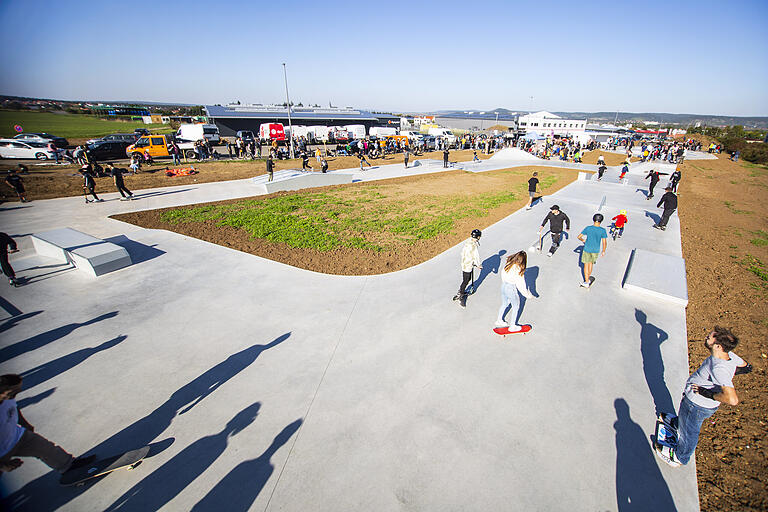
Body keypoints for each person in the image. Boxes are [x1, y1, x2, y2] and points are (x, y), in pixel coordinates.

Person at [656, 327, 751, 467]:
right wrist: (730, 373)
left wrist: (707, 393)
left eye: (709, 337)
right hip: (694, 403)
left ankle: (679, 457)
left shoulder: (719, 368)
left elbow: (732, 399)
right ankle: (677, 424)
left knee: (690, 432)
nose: (706, 338)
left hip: (697, 405)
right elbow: (747, 367)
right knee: (686, 420)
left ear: (718, 346)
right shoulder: (729, 356)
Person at [0, 374, 96, 474]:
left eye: (18, 390)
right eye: (13, 391)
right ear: (2, 389)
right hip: (2, 452)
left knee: (47, 449)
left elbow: (14, 407)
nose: (17, 393)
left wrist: (25, 423)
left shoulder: (8, 397)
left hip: (17, 435)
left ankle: (68, 466)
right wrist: (2, 466)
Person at [495, 251, 535, 328]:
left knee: (504, 304)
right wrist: (528, 295)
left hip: (503, 286)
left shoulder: (508, 264)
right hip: (511, 288)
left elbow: (502, 273)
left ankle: (499, 320)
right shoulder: (519, 269)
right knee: (516, 306)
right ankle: (513, 326)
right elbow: (521, 285)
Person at [453, 229, 482, 308]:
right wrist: (478, 264)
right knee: (465, 281)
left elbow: (462, 252)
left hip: (465, 263)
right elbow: (476, 256)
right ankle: (460, 294)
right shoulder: (473, 245)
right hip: (468, 265)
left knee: (467, 279)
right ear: (478, 237)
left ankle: (461, 291)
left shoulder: (468, 242)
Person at [577, 213, 608, 287]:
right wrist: (603, 251)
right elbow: (604, 242)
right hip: (595, 250)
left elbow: (579, 236)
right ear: (601, 221)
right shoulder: (603, 230)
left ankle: (586, 281)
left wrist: (583, 240)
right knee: (591, 264)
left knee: (585, 266)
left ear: (593, 219)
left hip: (587, 249)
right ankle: (588, 279)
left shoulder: (588, 228)